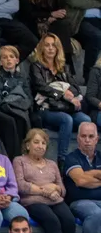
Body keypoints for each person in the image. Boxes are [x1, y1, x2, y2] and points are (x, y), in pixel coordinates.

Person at [13, 129, 78, 233]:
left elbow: (62, 189)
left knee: (69, 220)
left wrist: (55, 188)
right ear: (28, 145)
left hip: (55, 200)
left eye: (43, 143)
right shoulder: (19, 161)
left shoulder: (52, 164)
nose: (40, 146)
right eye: (36, 142)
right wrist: (45, 191)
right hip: (33, 201)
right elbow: (21, 185)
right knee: (52, 219)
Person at [31, 33, 90, 162]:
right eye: (47, 45)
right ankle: (62, 160)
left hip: (64, 107)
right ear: (42, 48)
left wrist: (68, 93)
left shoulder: (64, 67)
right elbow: (40, 86)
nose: (50, 48)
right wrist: (63, 93)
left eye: (53, 45)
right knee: (66, 120)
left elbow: (76, 88)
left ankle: (83, 157)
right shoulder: (36, 66)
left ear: (58, 48)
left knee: (86, 120)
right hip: (46, 109)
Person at [17, 0, 74, 75]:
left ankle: (65, 66)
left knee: (62, 25)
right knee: (60, 30)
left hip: (50, 23)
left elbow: (55, 10)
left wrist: (56, 15)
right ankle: (67, 70)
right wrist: (49, 15)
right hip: (31, 23)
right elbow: (27, 13)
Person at [0, 45, 35, 158]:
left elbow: (28, 97)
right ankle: (14, 156)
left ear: (17, 60)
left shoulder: (22, 77)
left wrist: (26, 108)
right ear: (0, 62)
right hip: (5, 110)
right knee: (14, 120)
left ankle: (31, 153)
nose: (8, 59)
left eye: (11, 56)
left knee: (35, 118)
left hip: (21, 108)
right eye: (4, 57)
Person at [61, 0, 101, 73]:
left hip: (97, 21)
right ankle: (88, 75)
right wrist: (99, 4)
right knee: (96, 36)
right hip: (78, 21)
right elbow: (75, 1)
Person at [66, 122, 101, 233]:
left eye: (91, 136)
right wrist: (97, 174)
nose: (87, 140)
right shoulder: (71, 158)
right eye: (83, 136)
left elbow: (85, 178)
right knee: (96, 214)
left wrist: (89, 174)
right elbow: (81, 181)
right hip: (79, 202)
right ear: (78, 138)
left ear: (96, 139)